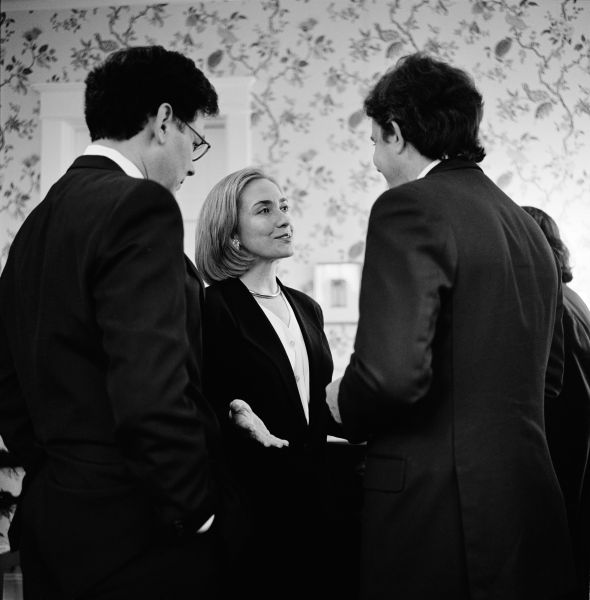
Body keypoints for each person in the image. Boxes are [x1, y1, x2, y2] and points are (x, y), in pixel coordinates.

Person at [325, 52, 576, 600]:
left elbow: (391, 376)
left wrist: (342, 402)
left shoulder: (409, 207)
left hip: (440, 512)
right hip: (528, 505)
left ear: (396, 131)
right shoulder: (525, 225)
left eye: (373, 140)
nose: (374, 158)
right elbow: (549, 378)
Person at [0, 45, 238, 599]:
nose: (193, 161)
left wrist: (66, 469)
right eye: (194, 139)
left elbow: (8, 378)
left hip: (54, 523)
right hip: (135, 535)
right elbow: (151, 387)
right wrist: (195, 511)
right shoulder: (139, 207)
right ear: (162, 120)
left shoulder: (37, 224)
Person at [194, 167, 338, 600]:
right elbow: (195, 401)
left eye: (285, 207)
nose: (284, 218)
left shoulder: (307, 307)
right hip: (250, 507)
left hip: (316, 503)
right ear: (232, 233)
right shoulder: (210, 308)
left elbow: (318, 404)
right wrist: (234, 413)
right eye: (264, 209)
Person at [522, 206, 590, 600]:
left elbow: (542, 389)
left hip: (558, 455)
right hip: (578, 453)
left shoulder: (545, 302)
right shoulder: (572, 298)